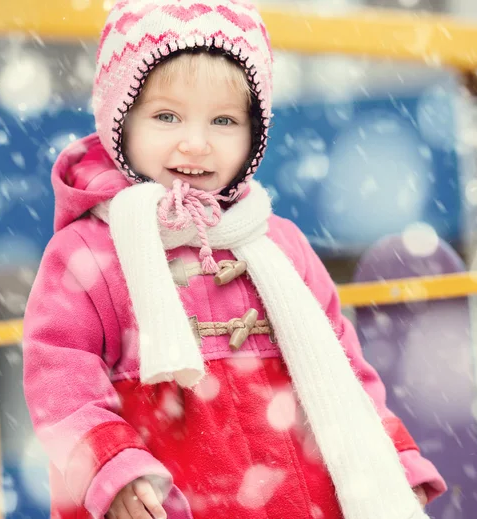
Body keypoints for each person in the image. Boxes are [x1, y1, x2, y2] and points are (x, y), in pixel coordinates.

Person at [23, 1, 446, 518]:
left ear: (254, 134)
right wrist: (110, 465)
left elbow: (344, 365)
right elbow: (59, 378)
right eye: (166, 115)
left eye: (223, 119)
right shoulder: (89, 252)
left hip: (303, 499)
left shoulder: (277, 242)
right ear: (120, 121)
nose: (196, 142)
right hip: (164, 500)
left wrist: (392, 462)